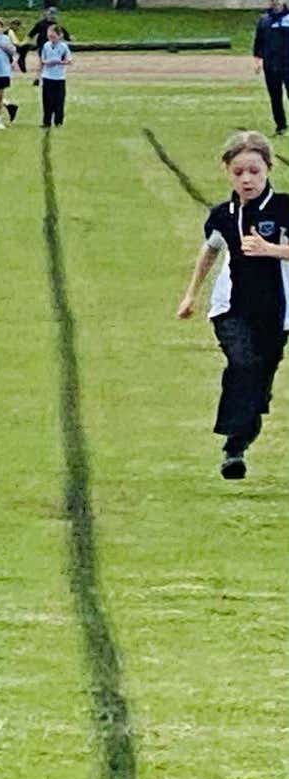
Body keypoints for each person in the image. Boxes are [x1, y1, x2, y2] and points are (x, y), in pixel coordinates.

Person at [177, 131, 289, 479]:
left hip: (277, 313)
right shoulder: (222, 215)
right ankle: (232, 446)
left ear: (268, 169)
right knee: (242, 363)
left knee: (258, 383)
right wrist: (191, 294)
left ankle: (238, 444)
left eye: (254, 171)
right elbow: (210, 249)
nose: (247, 179)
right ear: (227, 170)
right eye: (239, 171)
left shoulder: (284, 208)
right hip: (231, 309)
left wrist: (272, 251)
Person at [253, 0, 289, 136]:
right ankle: (281, 126)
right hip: (271, 65)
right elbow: (258, 42)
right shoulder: (264, 20)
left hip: (288, 64)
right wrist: (257, 61)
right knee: (275, 97)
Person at [28, 6, 70, 86]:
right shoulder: (40, 24)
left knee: (50, 63)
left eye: (54, 14)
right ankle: (38, 78)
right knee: (42, 62)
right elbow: (31, 33)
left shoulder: (56, 26)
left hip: (54, 47)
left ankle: (46, 78)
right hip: (42, 46)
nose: (52, 16)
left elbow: (64, 33)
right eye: (50, 14)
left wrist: (68, 38)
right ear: (47, 14)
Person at [40, 24, 72, 128]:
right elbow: (42, 60)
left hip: (59, 78)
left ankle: (58, 121)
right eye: (49, 37)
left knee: (59, 100)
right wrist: (47, 63)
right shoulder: (46, 45)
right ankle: (46, 121)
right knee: (47, 100)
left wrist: (60, 62)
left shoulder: (63, 47)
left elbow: (69, 60)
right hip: (47, 76)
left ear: (60, 36)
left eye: (53, 37)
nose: (51, 39)